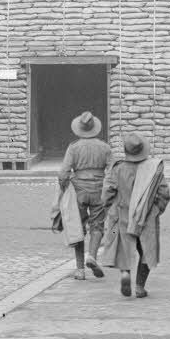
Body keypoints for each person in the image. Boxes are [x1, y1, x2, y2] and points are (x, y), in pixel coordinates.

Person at [98, 133, 170, 298]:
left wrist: (108, 209)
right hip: (146, 217)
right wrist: (156, 210)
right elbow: (164, 193)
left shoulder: (117, 168)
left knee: (123, 247)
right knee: (146, 250)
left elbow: (107, 193)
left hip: (122, 214)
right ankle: (139, 286)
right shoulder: (153, 168)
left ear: (126, 150)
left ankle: (125, 273)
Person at [56, 111, 113, 279]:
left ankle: (80, 269)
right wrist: (108, 187)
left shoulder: (73, 147)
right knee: (97, 226)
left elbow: (63, 173)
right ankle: (93, 257)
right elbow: (112, 170)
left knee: (77, 228)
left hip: (78, 191)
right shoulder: (105, 147)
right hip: (99, 190)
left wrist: (64, 187)